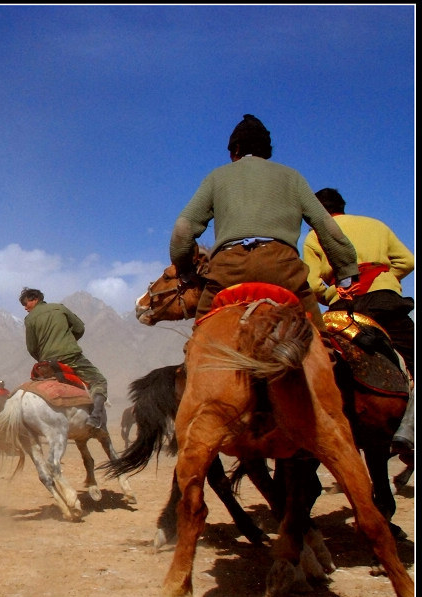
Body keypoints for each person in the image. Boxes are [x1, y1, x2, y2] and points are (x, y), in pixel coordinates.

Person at [169, 114, 359, 332]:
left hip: (228, 270)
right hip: (282, 268)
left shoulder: (217, 177)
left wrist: (184, 270)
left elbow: (183, 228)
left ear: (236, 149)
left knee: (200, 338)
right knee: (319, 337)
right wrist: (345, 271)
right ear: (266, 151)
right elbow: (326, 225)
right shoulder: (292, 177)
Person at [303, 187, 415, 455]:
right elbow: (407, 261)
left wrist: (334, 292)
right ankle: (409, 429)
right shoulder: (377, 225)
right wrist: (382, 279)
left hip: (344, 310)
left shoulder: (314, 236)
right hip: (385, 304)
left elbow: (310, 283)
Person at [19, 287, 108, 428]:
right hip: (71, 357)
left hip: (47, 362)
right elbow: (79, 328)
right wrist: (67, 341)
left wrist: (43, 358)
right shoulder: (59, 308)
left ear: (34, 299)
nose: (25, 308)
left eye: (25, 304)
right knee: (99, 381)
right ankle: (96, 417)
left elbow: (31, 347)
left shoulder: (30, 319)